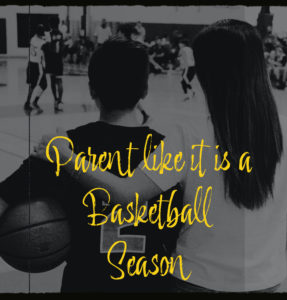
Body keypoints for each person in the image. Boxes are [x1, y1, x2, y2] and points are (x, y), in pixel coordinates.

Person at [35, 20, 287, 293]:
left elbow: (126, 193)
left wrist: (66, 156)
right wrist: (268, 259)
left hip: (197, 280)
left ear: (209, 75)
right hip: (266, 280)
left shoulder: (190, 135)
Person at [0, 38, 182, 292]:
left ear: (91, 90)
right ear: (145, 92)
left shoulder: (62, 148)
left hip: (83, 284)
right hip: (150, 286)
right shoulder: (169, 151)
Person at [24, 24, 47, 115]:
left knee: (39, 85)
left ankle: (33, 101)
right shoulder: (42, 43)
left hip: (30, 64)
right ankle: (28, 102)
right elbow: (43, 56)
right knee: (36, 85)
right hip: (37, 66)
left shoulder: (32, 39)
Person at [44, 16, 64, 113]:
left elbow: (47, 48)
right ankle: (60, 100)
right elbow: (63, 47)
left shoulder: (48, 34)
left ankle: (55, 99)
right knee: (59, 80)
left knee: (52, 80)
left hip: (51, 60)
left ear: (50, 24)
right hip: (59, 59)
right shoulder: (61, 34)